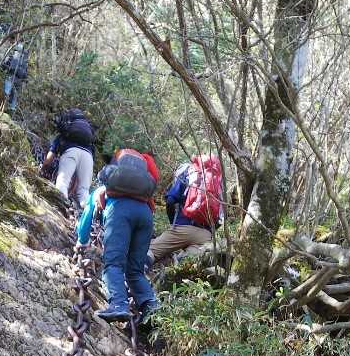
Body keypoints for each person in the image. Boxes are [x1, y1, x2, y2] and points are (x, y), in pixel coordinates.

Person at [95, 146, 160, 323]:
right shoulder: (145, 168)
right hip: (145, 215)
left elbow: (102, 180)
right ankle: (151, 306)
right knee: (135, 270)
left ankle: (118, 304)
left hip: (120, 211)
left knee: (113, 263)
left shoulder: (116, 165)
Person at [148, 155, 222, 265]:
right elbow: (220, 219)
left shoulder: (188, 174)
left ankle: (140, 270)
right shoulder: (217, 182)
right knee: (190, 261)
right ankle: (181, 262)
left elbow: (170, 201)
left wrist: (173, 224)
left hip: (182, 228)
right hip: (205, 235)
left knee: (150, 251)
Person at [44, 108, 95, 208]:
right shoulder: (89, 140)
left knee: (62, 182)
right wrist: (74, 187)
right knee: (84, 190)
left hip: (70, 152)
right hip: (88, 156)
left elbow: (49, 159)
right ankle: (86, 213)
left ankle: (59, 209)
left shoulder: (64, 133)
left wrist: (43, 168)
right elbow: (81, 170)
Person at [0, 40, 29, 112]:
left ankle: (11, 109)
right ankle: (5, 106)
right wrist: (6, 65)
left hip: (17, 82)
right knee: (8, 90)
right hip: (10, 78)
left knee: (14, 95)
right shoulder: (11, 58)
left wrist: (14, 69)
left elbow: (24, 74)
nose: (17, 53)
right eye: (16, 51)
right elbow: (2, 66)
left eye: (19, 52)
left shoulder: (23, 62)